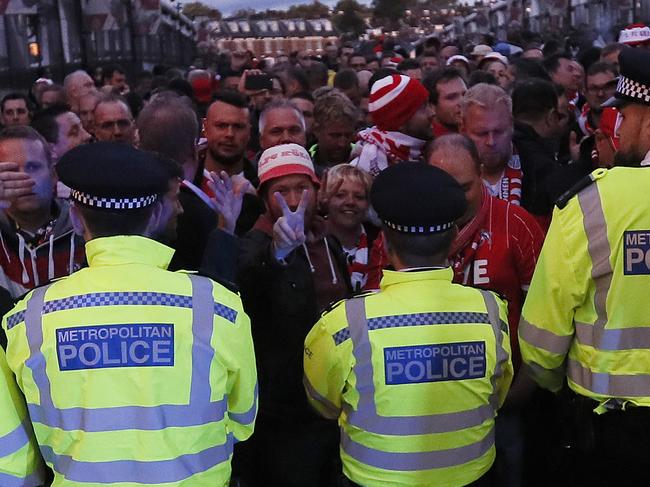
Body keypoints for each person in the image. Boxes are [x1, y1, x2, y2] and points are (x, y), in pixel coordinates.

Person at [0, 141, 257, 486]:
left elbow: (15, 459)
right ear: (154, 216)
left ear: (76, 218)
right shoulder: (218, 307)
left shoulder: (25, 320)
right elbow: (243, 420)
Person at [304, 161, 513, 487]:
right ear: (455, 237)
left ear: (384, 243)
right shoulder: (491, 313)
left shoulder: (345, 323)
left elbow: (323, 404)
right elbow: (497, 395)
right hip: (475, 478)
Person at [518, 46, 650, 485]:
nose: (621, 127)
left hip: (614, 428)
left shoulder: (590, 205)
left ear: (647, 120)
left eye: (626, 116)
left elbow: (540, 340)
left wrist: (559, 386)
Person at [236, 144, 351, 487]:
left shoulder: (328, 239)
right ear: (263, 197)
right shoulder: (256, 243)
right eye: (281, 191)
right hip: (285, 410)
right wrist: (277, 254)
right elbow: (245, 285)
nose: (294, 199)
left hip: (335, 398)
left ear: (317, 189)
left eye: (302, 188)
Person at [0, 126, 85, 299]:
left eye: (33, 167)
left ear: (53, 175)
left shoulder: (84, 228)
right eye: (11, 171)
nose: (25, 179)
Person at [350, 74, 432, 176]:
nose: (432, 113)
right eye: (422, 108)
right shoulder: (362, 171)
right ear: (400, 122)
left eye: (428, 104)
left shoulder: (429, 152)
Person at [460, 83, 523, 205]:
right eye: (481, 133)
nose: (491, 142)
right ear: (462, 129)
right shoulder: (448, 175)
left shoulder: (539, 172)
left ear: (511, 125)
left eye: (499, 132)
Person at [321, 164, 377, 292]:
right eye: (340, 195)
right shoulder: (312, 241)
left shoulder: (379, 242)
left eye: (359, 197)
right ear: (325, 199)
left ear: (368, 203)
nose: (350, 202)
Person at [310, 89, 358, 170]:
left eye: (348, 135)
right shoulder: (304, 160)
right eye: (335, 136)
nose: (342, 143)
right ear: (316, 130)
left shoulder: (364, 160)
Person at [424, 67, 468, 137]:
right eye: (452, 97)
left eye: (465, 94)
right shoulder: (427, 144)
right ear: (431, 107)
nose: (463, 102)